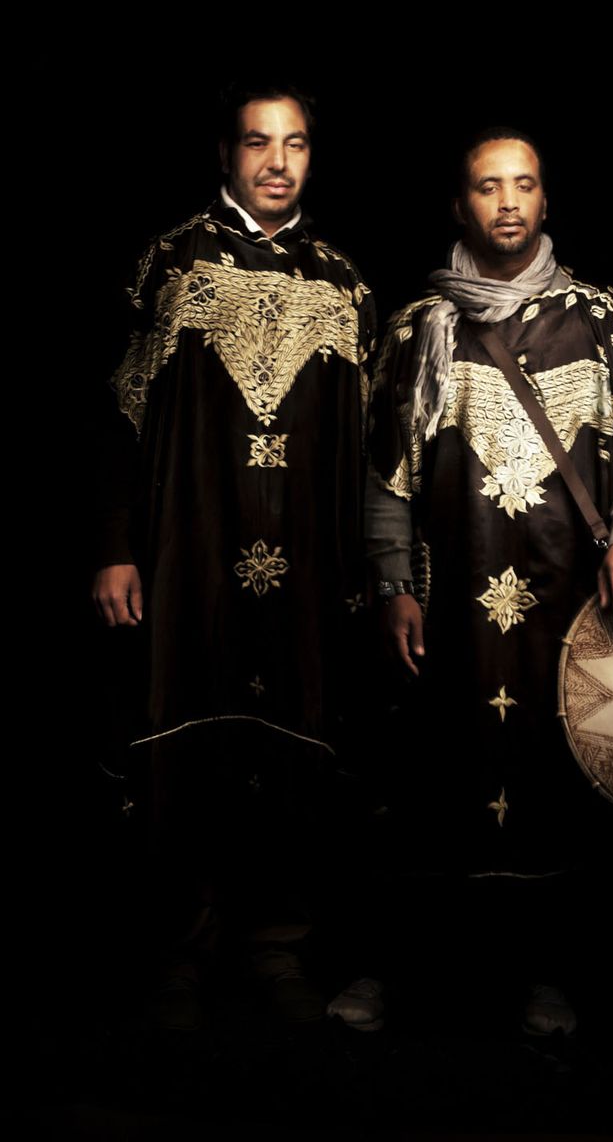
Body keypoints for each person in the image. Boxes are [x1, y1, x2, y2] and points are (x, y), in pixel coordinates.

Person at [365, 126, 613, 1033]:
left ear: (545, 202)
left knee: (554, 781)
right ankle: (411, 978)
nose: (507, 201)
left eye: (524, 185)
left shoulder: (596, 314)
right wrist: (393, 584)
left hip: (569, 605)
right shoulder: (420, 326)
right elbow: (384, 474)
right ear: (462, 205)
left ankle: (548, 978)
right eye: (488, 186)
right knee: (432, 779)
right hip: (450, 604)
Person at [92, 81, 376, 1028]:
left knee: (294, 739)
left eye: (296, 144)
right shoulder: (172, 260)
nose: (278, 163)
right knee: (187, 738)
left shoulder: (342, 282)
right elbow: (119, 416)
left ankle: (276, 948)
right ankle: (182, 951)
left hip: (305, 565)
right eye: (259, 143)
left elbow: (366, 449)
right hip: (190, 552)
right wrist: (116, 545)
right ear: (227, 154)